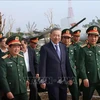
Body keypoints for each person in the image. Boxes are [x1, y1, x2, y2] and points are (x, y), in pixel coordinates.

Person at [39, 27, 73, 100]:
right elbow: (42, 66)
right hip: (52, 81)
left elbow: (67, 63)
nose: (57, 37)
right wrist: (42, 80)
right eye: (55, 35)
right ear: (50, 35)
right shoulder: (45, 48)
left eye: (58, 35)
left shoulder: (63, 47)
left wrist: (70, 77)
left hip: (63, 80)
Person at [0, 35, 28, 100]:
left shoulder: (21, 58)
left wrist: (26, 80)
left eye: (18, 47)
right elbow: (2, 78)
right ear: (9, 47)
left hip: (23, 90)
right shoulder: (4, 59)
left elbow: (24, 71)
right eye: (14, 47)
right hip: (12, 91)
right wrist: (7, 91)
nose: (17, 49)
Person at [79, 25, 100, 100]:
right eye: (91, 36)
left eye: (95, 36)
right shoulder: (83, 49)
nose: (93, 38)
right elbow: (81, 65)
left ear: (98, 38)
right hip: (89, 80)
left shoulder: (98, 48)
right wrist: (84, 78)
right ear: (88, 37)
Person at [61, 29, 79, 100]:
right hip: (62, 73)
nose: (66, 40)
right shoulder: (58, 47)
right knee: (62, 93)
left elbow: (78, 60)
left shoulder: (74, 47)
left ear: (71, 38)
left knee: (75, 93)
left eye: (68, 38)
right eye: (64, 37)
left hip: (72, 73)